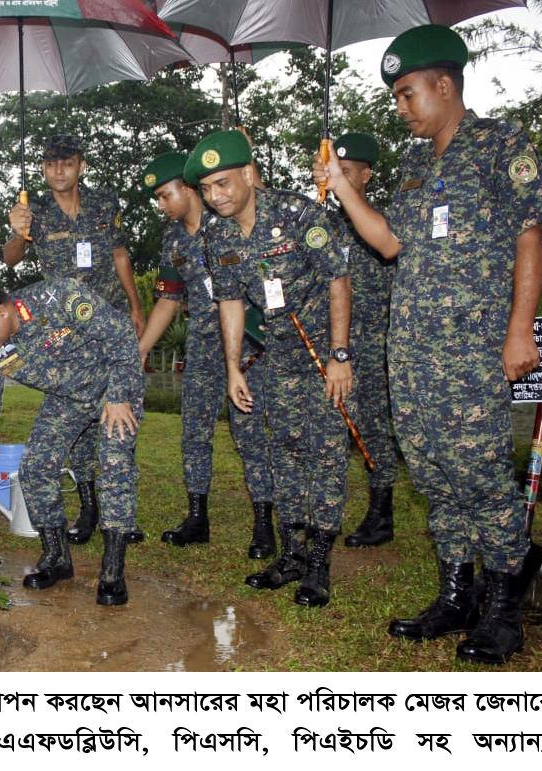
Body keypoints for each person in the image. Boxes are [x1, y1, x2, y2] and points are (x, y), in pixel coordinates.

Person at [313, 24, 542, 664]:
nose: (401, 108)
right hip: (411, 350)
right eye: (396, 97)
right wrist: (343, 189)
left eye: (407, 94)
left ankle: (503, 609)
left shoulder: (503, 146)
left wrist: (520, 330)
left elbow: (531, 238)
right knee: (434, 473)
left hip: (473, 347)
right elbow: (389, 244)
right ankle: (455, 593)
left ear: (444, 86)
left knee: (478, 473)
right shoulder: (416, 164)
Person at [192, 130, 352, 608]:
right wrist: (233, 367)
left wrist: (339, 356)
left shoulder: (299, 213)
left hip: (321, 347)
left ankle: (319, 565)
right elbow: (230, 301)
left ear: (247, 173)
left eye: (222, 183)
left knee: (324, 452)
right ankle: (292, 554)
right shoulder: (215, 232)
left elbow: (338, 280)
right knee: (282, 450)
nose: (215, 196)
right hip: (277, 353)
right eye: (205, 189)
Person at [0, 267, 144, 606]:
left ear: (2, 311)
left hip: (113, 386)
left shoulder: (60, 298)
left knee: (114, 467)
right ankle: (57, 557)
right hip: (67, 400)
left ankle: (112, 570)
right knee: (36, 467)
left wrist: (118, 395)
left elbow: (121, 333)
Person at [3, 135, 145, 545]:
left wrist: (135, 308)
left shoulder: (104, 204)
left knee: (121, 414)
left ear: (81, 166)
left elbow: (120, 255)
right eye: (50, 164)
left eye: (66, 163)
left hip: (110, 322)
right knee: (79, 423)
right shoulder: (35, 213)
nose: (58, 171)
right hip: (68, 333)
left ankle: (122, 511)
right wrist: (18, 231)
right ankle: (88, 508)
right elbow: (11, 259)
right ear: (43, 170)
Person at [136, 152, 274, 556]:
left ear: (188, 187)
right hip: (201, 345)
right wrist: (139, 351)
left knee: (248, 434)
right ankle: (197, 517)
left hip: (246, 345)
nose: (161, 205)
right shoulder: (175, 240)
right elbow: (167, 300)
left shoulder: (230, 221)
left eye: (164, 195)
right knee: (194, 432)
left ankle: (264, 524)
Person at [326, 132, 400, 547]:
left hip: (377, 347)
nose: (341, 179)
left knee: (374, 427)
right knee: (334, 426)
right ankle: (327, 510)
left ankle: (381, 512)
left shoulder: (382, 223)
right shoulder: (327, 225)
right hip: (338, 345)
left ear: (367, 174)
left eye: (348, 172)